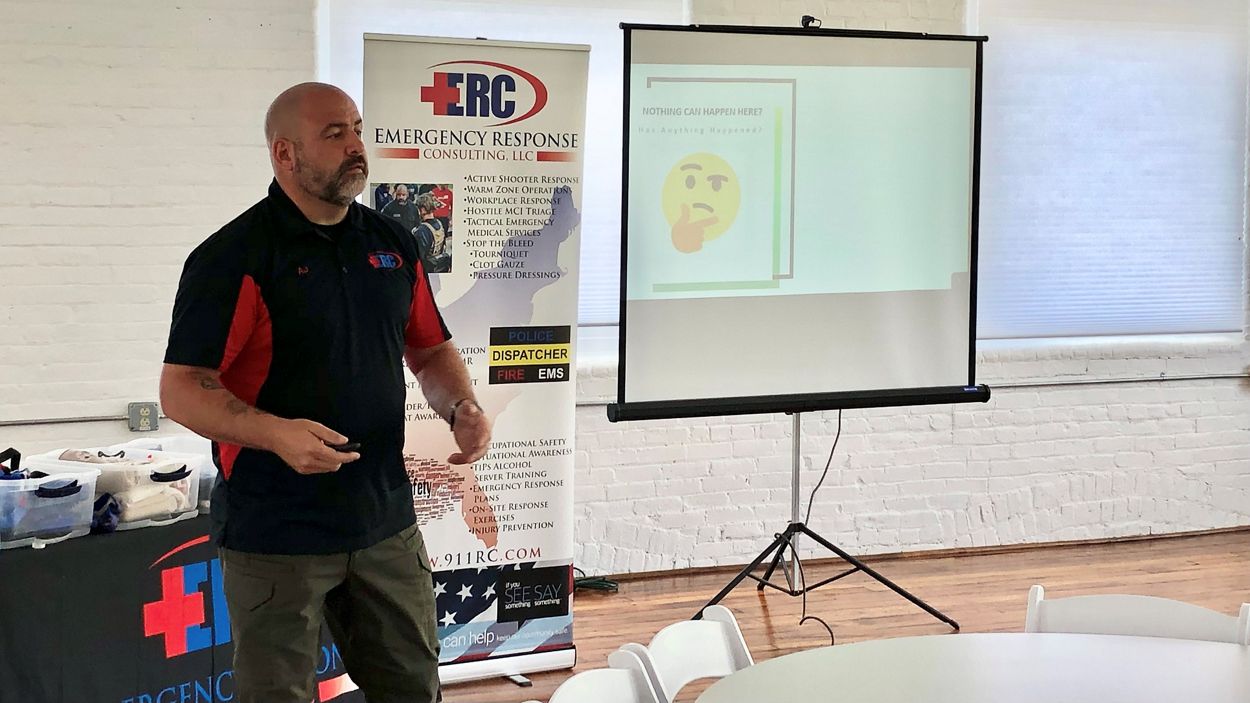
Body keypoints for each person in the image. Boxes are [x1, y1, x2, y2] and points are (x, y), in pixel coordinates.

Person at [159, 81, 491, 703]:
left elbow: (428, 349)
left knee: (412, 689)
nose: (355, 146)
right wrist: (274, 433)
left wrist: (460, 405)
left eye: (357, 130)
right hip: (276, 531)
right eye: (334, 134)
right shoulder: (233, 257)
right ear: (284, 154)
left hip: (383, 521)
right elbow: (182, 389)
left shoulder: (392, 243)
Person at [414, 193, 451, 273]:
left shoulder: (421, 231)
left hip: (427, 271)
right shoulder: (439, 223)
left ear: (422, 209)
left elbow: (418, 258)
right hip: (439, 267)